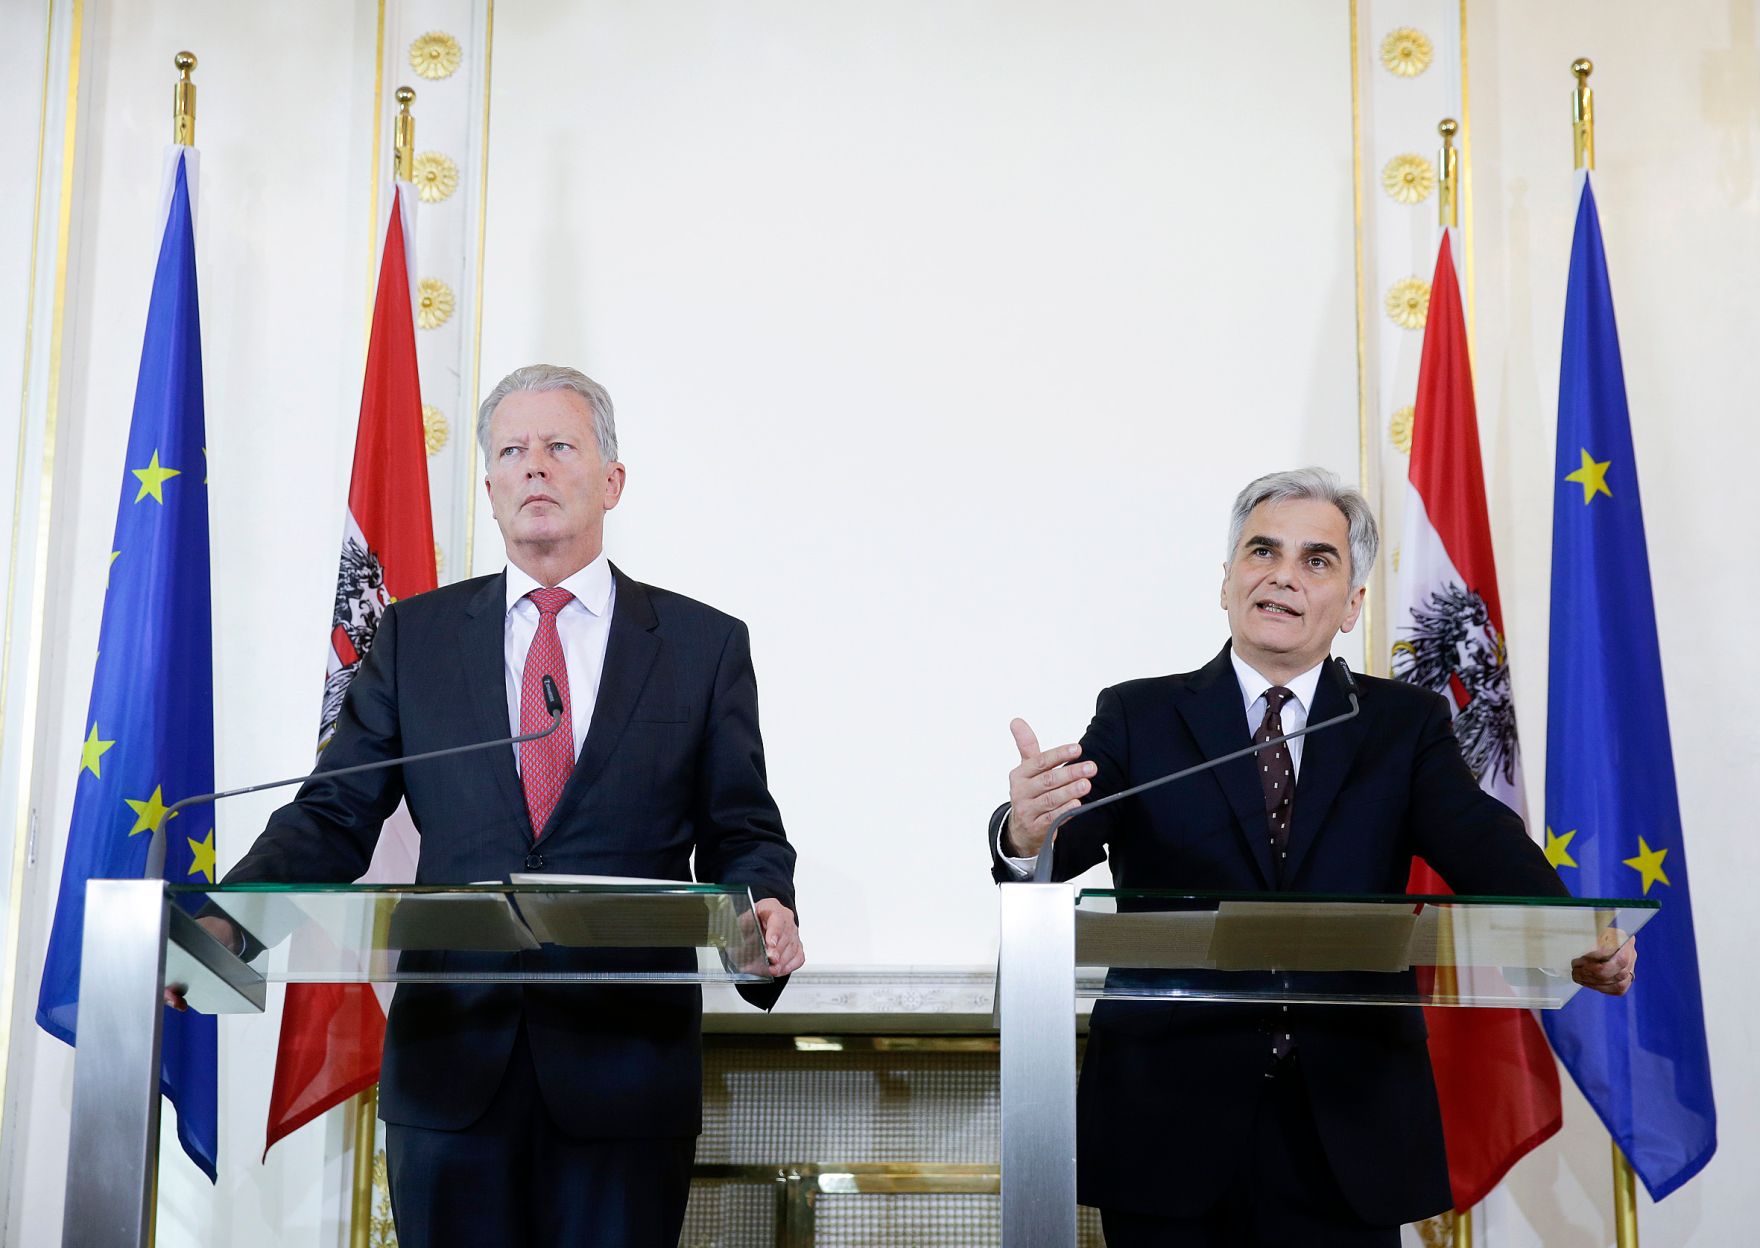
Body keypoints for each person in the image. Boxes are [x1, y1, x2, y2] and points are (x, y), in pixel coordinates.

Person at [210, 365, 803, 1247]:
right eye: (512, 452)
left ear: (612, 480)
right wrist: (234, 921)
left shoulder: (701, 645)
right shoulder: (415, 638)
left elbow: (740, 827)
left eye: (559, 447)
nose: (534, 468)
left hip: (625, 1076)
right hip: (453, 1071)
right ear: (487, 486)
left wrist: (761, 908)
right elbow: (334, 813)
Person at [989, 467, 1633, 1247]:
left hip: (1347, 1126)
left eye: (1316, 560)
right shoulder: (1141, 714)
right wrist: (1025, 835)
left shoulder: (1402, 724)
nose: (1282, 576)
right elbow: (1061, 842)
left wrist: (1570, 928)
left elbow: (1480, 840)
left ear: (1354, 603)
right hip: (1171, 1120)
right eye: (1262, 552)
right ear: (1227, 582)